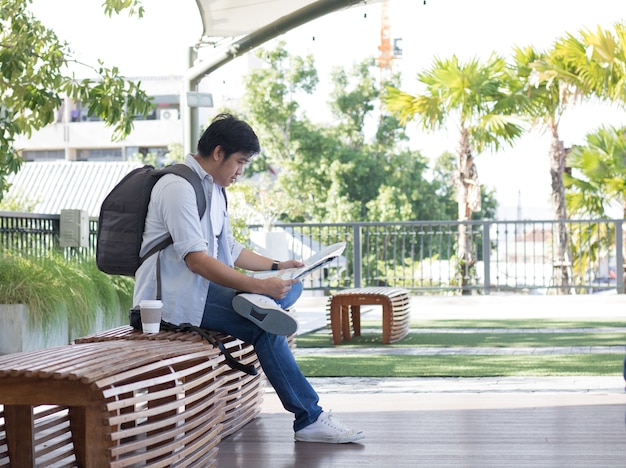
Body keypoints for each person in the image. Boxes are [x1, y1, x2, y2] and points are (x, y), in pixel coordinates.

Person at [133, 113, 364, 444]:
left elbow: (229, 248)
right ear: (218, 153)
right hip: (170, 301)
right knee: (265, 324)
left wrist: (276, 266)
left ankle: (264, 308)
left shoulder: (212, 188)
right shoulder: (177, 188)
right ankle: (309, 417)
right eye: (239, 162)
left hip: (201, 292)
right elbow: (197, 261)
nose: (241, 171)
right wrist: (257, 286)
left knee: (289, 288)